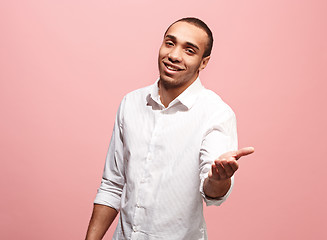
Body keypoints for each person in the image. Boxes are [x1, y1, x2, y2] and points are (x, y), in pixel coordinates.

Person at [85, 17, 254, 240]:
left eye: (190, 50)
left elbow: (212, 191)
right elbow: (113, 184)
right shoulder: (131, 103)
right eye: (170, 43)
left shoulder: (216, 113)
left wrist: (218, 178)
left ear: (204, 62)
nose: (174, 55)